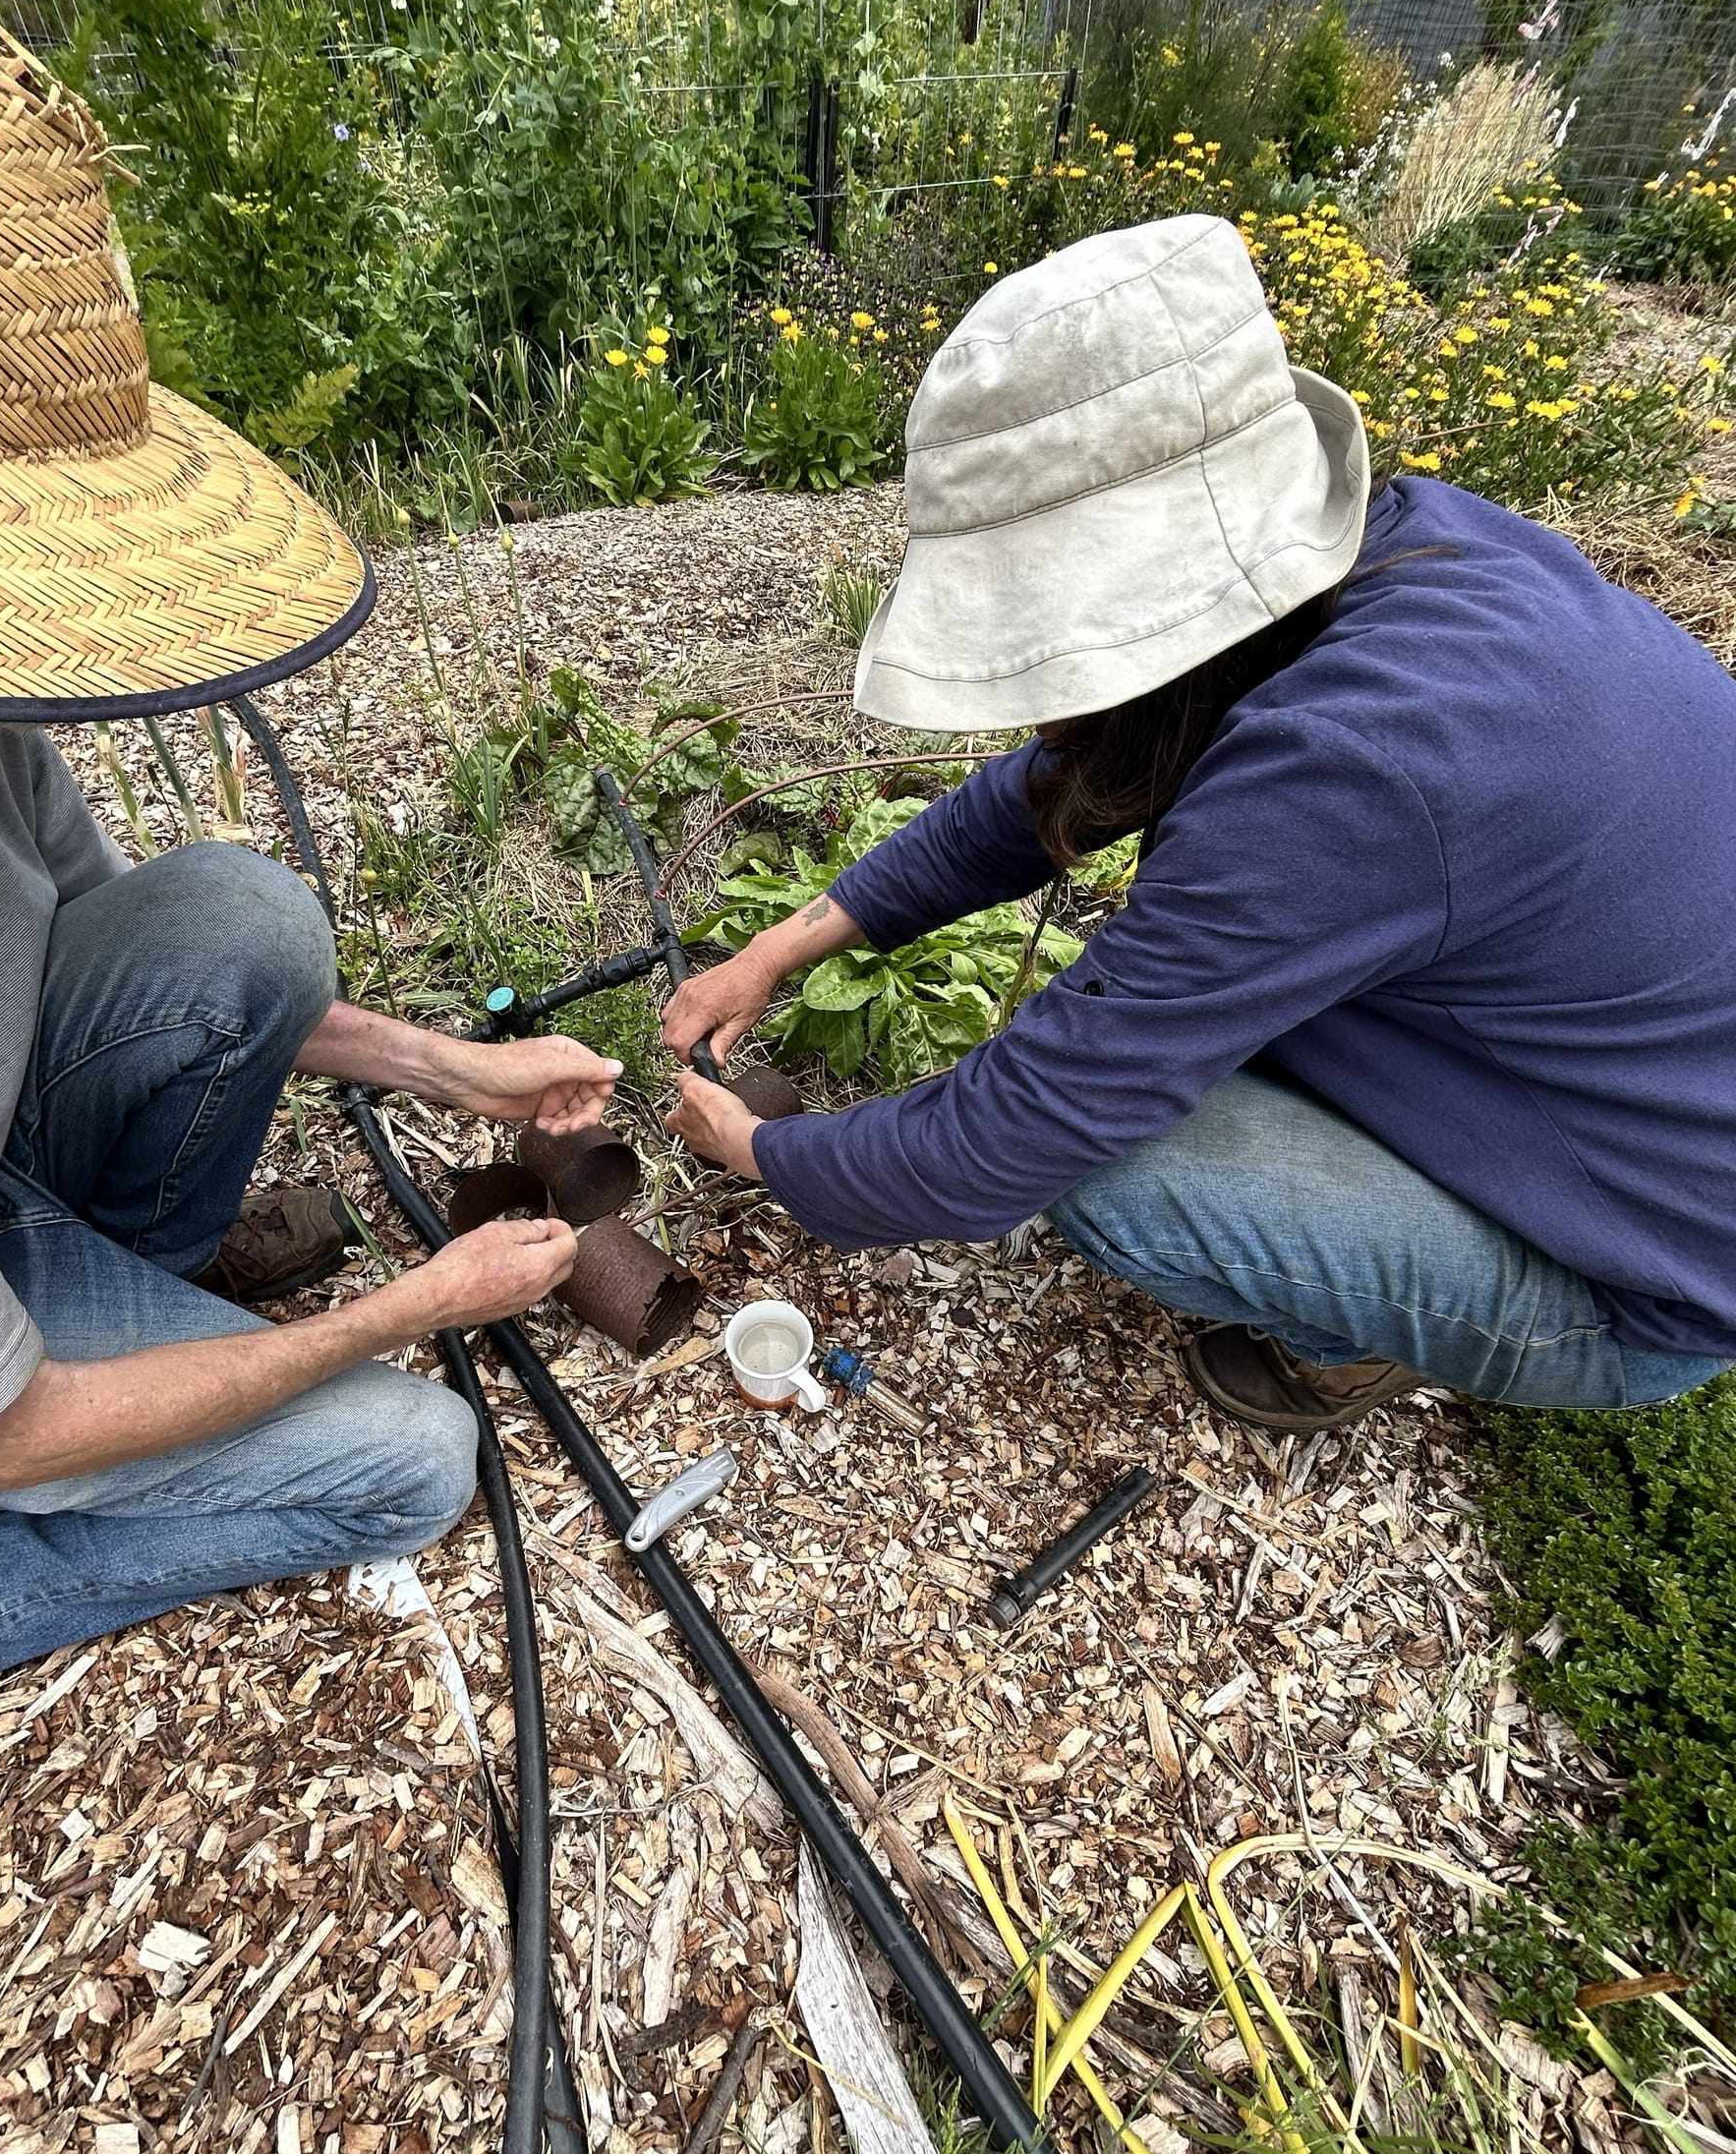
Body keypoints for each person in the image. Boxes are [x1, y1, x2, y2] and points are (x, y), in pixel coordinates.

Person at [0, 0, 597, 1765]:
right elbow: (9, 1431)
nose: (16, 666)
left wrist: (454, 1067)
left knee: (238, 915)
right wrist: (406, 1306)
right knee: (406, 1458)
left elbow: (118, 954)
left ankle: (150, 1288)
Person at [665, 213, 1736, 1435]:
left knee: (1119, 1179)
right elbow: (1058, 785)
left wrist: (761, 1151)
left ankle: (1352, 1349)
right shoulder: (1400, 557)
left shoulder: (1342, 775)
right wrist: (780, 947)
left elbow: (999, 1147)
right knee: (1172, 1032)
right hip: (1646, 1084)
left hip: (1658, 1268)